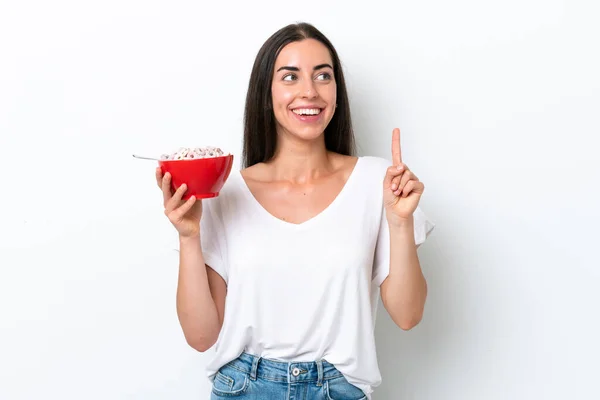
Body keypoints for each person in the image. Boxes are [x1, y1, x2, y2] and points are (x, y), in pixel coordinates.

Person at [155, 22, 435, 400]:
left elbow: (408, 315)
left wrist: (400, 223)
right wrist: (188, 236)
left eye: (324, 75)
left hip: (339, 389)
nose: (309, 91)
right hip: (244, 387)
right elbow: (201, 336)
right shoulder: (228, 192)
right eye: (290, 76)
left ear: (337, 91)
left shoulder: (377, 182)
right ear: (265, 93)